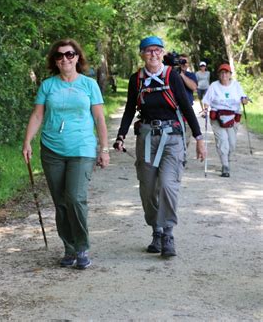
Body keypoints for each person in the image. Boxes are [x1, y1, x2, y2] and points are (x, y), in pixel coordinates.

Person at [114, 36, 205, 258]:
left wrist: (200, 138)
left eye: (157, 50)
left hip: (172, 137)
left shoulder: (172, 76)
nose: (153, 54)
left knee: (167, 184)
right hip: (146, 137)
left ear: (162, 53)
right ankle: (156, 228)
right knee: (148, 188)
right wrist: (120, 136)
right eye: (148, 51)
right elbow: (128, 109)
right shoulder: (136, 79)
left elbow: (186, 107)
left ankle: (168, 234)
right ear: (142, 54)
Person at [22, 39, 110, 270]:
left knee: (74, 198)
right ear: (55, 61)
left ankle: (82, 246)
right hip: (52, 149)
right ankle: (69, 247)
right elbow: (38, 115)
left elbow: (100, 118)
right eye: (59, 56)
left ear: (77, 57)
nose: (65, 59)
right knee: (60, 202)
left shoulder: (89, 85)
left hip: (81, 148)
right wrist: (27, 142)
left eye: (69, 54)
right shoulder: (48, 85)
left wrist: (104, 148)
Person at [202, 63, 248, 177]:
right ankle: (225, 166)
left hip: (233, 118)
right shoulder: (214, 86)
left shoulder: (236, 85)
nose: (224, 75)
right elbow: (207, 100)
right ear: (219, 74)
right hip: (218, 117)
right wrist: (205, 109)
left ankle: (226, 158)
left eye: (226, 72)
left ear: (230, 74)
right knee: (223, 141)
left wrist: (244, 100)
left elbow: (243, 97)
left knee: (232, 143)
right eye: (222, 73)